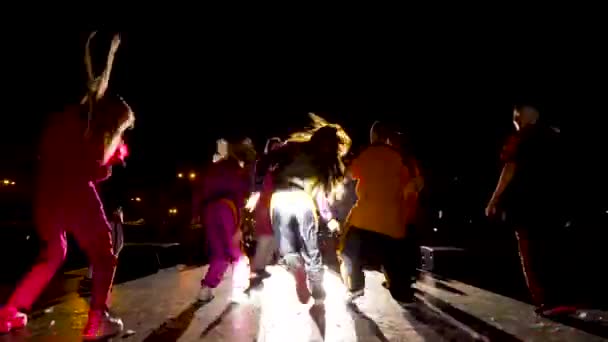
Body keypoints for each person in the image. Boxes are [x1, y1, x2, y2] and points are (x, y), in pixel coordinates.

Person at [0, 32, 134, 339]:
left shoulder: (60, 118)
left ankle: (10, 310)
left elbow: (59, 159)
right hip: (74, 194)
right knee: (103, 255)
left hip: (45, 195)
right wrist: (111, 159)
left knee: (54, 253)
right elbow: (91, 170)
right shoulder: (93, 124)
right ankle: (97, 320)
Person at [486, 104, 576, 317]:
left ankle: (547, 301)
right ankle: (563, 297)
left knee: (531, 253)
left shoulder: (520, 138)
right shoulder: (555, 136)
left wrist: (494, 200)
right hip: (554, 206)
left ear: (520, 118)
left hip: (527, 206)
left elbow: (509, 170)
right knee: (554, 250)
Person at [265, 113, 350, 305]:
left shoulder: (294, 146)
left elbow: (268, 159)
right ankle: (317, 287)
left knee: (286, 247)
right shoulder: (324, 163)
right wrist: (329, 218)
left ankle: (298, 271)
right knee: (311, 246)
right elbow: (320, 195)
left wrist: (271, 166)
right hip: (303, 200)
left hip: (280, 197)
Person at [339, 121, 422, 304]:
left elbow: (347, 176)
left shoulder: (367, 154)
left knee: (347, 250)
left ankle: (356, 286)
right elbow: (414, 185)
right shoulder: (400, 158)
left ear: (374, 136)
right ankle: (402, 293)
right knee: (392, 260)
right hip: (393, 222)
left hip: (365, 219)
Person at [193, 138, 256, 303]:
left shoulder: (212, 168)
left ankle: (206, 289)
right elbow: (241, 194)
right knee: (236, 251)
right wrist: (240, 225)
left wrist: (196, 213)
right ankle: (239, 290)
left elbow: (199, 190)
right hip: (227, 207)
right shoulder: (236, 169)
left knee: (219, 253)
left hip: (208, 210)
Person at [248, 137, 283, 281]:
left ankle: (262, 265)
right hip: (265, 202)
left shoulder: (282, 163)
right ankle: (257, 269)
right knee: (266, 235)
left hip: (277, 202)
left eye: (279, 146)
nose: (277, 149)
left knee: (275, 235)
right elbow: (256, 182)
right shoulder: (263, 162)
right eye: (274, 146)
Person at [82, 207, 125, 289]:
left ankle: (103, 284)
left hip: (111, 251)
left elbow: (120, 241)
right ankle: (92, 281)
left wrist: (115, 254)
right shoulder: (113, 224)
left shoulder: (117, 226)